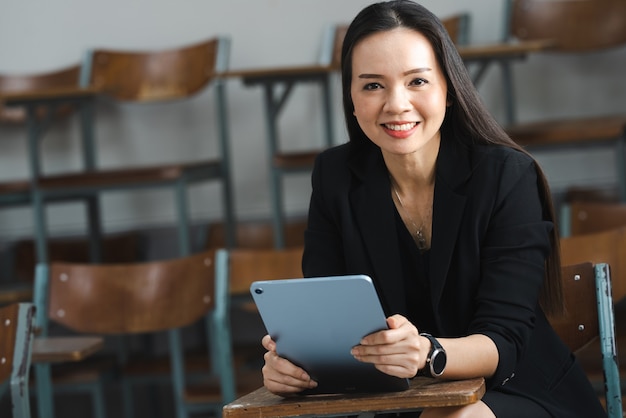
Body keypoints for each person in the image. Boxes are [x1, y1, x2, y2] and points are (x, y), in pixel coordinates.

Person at [260, 1, 607, 417]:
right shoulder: (334, 177)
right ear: (351, 98)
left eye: (417, 81)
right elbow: (331, 327)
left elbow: (503, 342)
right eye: (372, 85)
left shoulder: (507, 177)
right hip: (407, 403)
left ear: (448, 88)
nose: (396, 104)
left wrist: (425, 351)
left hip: (521, 391)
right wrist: (292, 366)